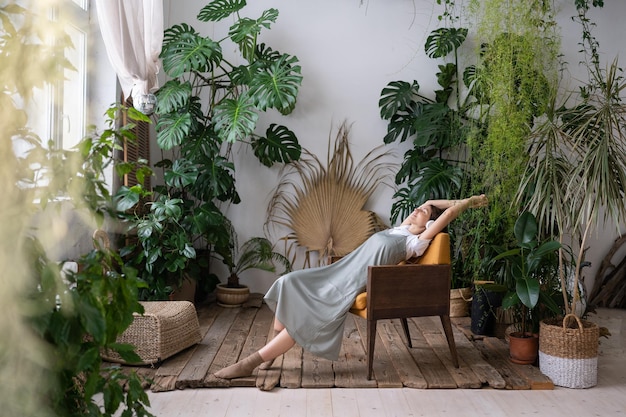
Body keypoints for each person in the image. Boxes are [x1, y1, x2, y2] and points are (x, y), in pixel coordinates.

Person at [214, 194, 488, 380]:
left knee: (310, 318)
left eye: (423, 212)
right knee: (287, 282)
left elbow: (448, 212)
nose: (417, 209)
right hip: (338, 270)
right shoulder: (400, 229)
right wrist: (428, 205)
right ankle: (270, 351)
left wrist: (472, 202)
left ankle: (250, 363)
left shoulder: (417, 242)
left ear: (429, 223)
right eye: (417, 209)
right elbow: (430, 201)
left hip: (353, 283)